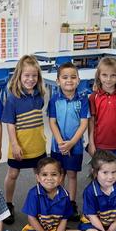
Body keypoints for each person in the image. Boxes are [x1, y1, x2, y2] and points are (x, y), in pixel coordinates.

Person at [1, 55, 48, 224]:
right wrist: (14, 144)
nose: (30, 79)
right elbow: (10, 124)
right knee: (13, 174)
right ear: (19, 76)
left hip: (38, 145)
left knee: (40, 174)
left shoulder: (39, 96)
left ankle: (43, 203)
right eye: (26, 75)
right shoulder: (13, 98)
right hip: (19, 145)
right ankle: (8, 204)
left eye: (34, 76)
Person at [20, 157, 88, 231]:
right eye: (44, 175)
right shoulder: (33, 193)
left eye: (54, 174)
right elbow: (31, 219)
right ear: (38, 177)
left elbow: (64, 220)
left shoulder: (65, 195)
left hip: (56, 230)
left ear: (61, 177)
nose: (49, 178)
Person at [48, 62, 89, 221]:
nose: (69, 80)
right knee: (59, 174)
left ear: (78, 80)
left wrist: (71, 143)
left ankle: (71, 204)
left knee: (72, 174)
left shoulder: (83, 100)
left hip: (75, 146)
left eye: (73, 77)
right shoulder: (54, 100)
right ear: (58, 81)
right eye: (65, 77)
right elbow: (52, 122)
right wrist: (60, 142)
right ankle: (60, 202)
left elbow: (84, 123)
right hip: (57, 146)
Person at [87, 57, 116, 160]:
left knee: (114, 173)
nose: (108, 79)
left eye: (113, 75)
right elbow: (91, 122)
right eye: (104, 75)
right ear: (98, 76)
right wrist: (91, 143)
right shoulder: (94, 97)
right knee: (99, 173)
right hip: (99, 144)